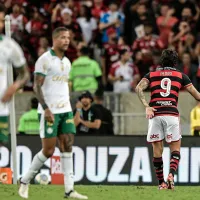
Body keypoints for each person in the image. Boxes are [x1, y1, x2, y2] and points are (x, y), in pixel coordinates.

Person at [18, 27, 88, 199]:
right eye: (63, 37)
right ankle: (25, 180)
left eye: (68, 37)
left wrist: (70, 106)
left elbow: (63, 86)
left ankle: (69, 189)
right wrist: (46, 107)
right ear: (55, 39)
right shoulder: (44, 60)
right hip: (50, 111)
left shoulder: (67, 62)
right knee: (48, 151)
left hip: (65, 110)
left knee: (68, 146)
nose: (66, 40)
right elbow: (36, 86)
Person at [135, 49, 200, 190]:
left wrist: (147, 106)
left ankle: (161, 183)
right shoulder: (181, 76)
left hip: (155, 114)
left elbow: (139, 88)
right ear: (175, 62)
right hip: (171, 114)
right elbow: (197, 96)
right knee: (175, 148)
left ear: (161, 61)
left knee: (157, 151)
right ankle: (171, 174)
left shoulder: (151, 74)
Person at [0, 4, 29, 146]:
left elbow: (25, 74)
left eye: (0, 21)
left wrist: (15, 86)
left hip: (1, 106)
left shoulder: (9, 46)